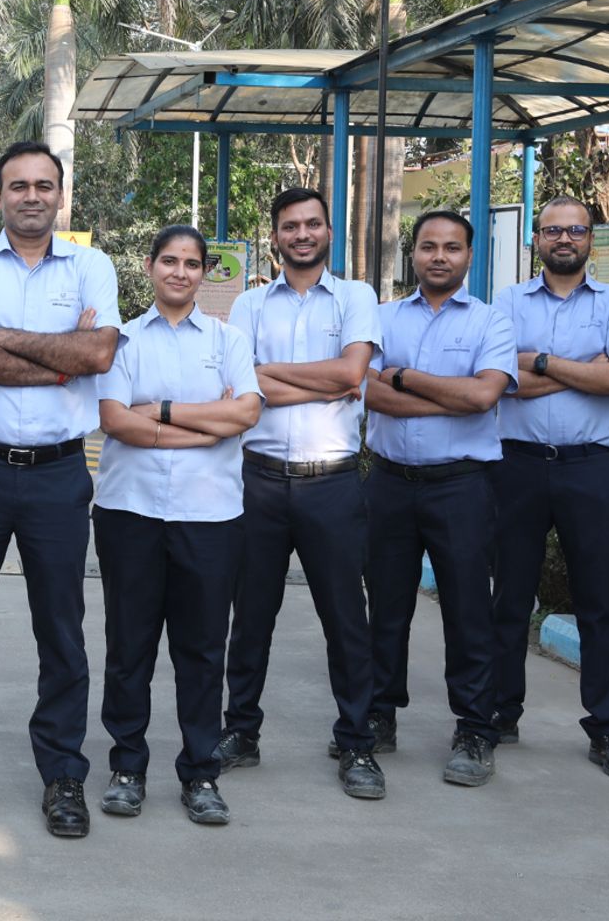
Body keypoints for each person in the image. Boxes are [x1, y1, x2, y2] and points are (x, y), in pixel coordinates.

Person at [0, 140, 120, 840]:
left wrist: (11, 339)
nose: (31, 195)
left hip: (59, 474)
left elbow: (100, 354)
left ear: (60, 196)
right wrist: (61, 358)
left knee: (62, 632)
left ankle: (63, 775)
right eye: (17, 186)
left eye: (43, 185)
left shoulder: (92, 265)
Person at [213, 187, 387, 801]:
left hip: (332, 482)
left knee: (346, 620)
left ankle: (357, 740)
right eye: (291, 226)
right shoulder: (249, 305)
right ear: (275, 237)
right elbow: (242, 387)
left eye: (313, 224)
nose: (303, 234)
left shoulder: (357, 297)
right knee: (251, 616)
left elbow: (351, 374)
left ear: (328, 234)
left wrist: (277, 377)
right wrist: (323, 378)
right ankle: (241, 731)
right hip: (257, 480)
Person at [92, 225, 262, 826]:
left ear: (204, 272)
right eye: (170, 260)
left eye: (192, 263)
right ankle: (127, 768)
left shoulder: (229, 339)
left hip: (210, 516)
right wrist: (205, 426)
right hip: (130, 512)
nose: (180, 272)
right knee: (129, 648)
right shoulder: (123, 342)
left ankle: (200, 774)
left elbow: (245, 412)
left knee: (200, 651)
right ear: (149, 266)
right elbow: (115, 419)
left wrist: (160, 413)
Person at [492, 196, 609, 782]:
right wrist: (586, 371)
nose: (564, 239)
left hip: (590, 469)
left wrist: (544, 363)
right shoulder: (507, 302)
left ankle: (607, 729)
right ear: (537, 239)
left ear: (590, 239)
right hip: (517, 465)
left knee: (597, 602)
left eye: (575, 230)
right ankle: (500, 713)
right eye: (553, 230)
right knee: (508, 597)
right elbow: (501, 383)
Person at [362, 210, 516, 787]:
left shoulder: (491, 324)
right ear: (414, 254)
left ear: (469, 256)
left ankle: (476, 729)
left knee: (468, 610)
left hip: (463, 485)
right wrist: (449, 394)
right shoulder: (381, 320)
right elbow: (369, 394)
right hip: (389, 481)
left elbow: (484, 397)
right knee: (387, 608)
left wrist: (404, 378)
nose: (439, 257)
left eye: (452, 247)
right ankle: (379, 714)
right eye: (428, 246)